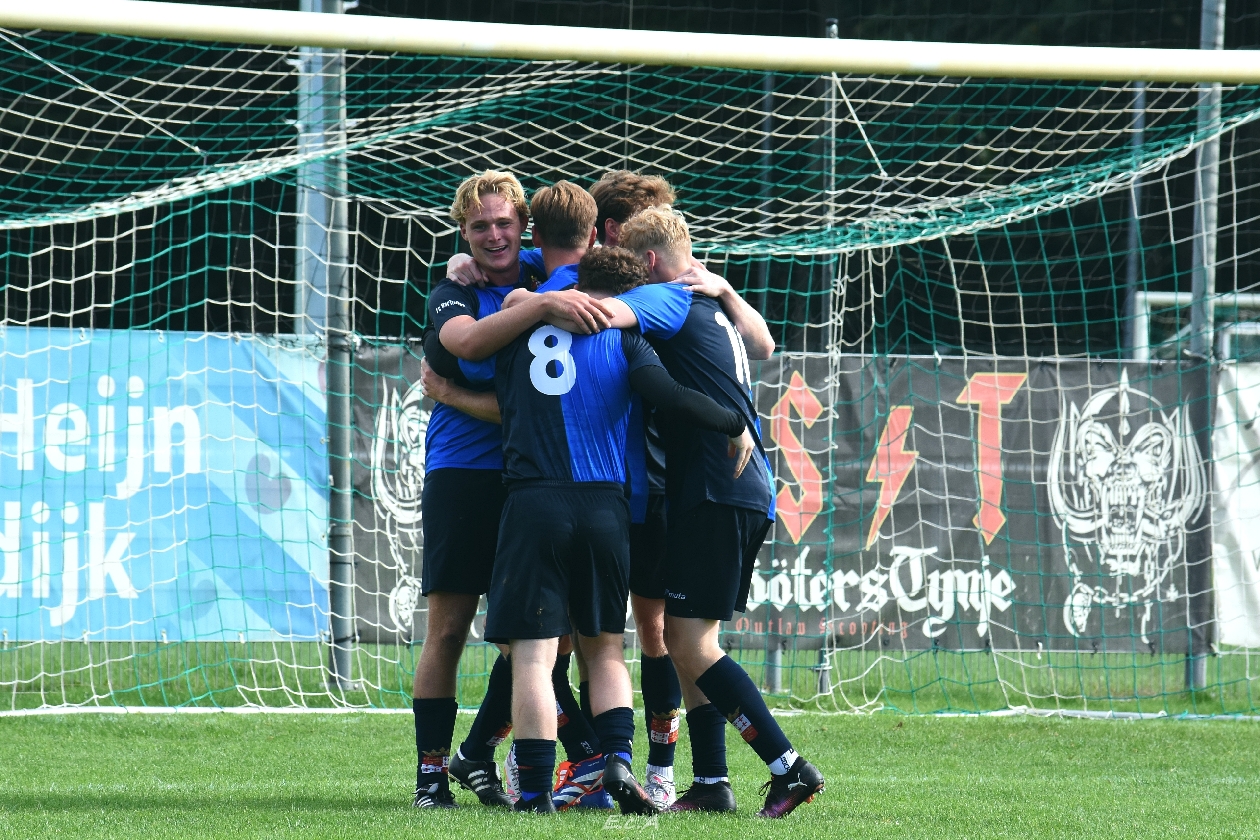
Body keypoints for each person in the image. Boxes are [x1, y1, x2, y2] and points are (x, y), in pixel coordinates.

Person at [483, 247, 755, 814]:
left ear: (577, 280)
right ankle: (616, 765)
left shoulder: (515, 317)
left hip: (534, 500)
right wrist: (736, 423)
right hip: (606, 508)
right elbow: (671, 398)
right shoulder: (627, 338)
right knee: (606, 651)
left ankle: (533, 792)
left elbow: (460, 348)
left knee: (534, 657)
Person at [605, 206, 825, 818]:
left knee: (690, 642)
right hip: (734, 488)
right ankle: (710, 782)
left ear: (649, 264)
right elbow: (764, 342)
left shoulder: (666, 303)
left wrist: (548, 302)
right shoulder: (711, 306)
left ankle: (788, 767)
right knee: (690, 640)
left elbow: (613, 314)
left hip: (714, 487)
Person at [410, 170, 612, 809]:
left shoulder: (544, 268)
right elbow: (467, 349)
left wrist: (453, 394)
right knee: (448, 629)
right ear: (462, 233)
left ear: (524, 227)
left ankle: (490, 756)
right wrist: (541, 306)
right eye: (479, 227)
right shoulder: (454, 289)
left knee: (538, 638)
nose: (494, 236)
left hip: (530, 482)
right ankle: (432, 777)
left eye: (504, 223)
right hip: (463, 475)